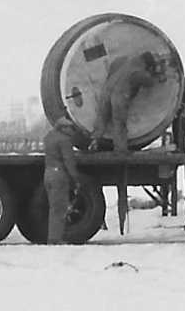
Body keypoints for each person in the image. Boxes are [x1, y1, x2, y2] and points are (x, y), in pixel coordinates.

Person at [89, 51, 162, 152]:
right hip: (120, 95)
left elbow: (113, 65)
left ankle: (94, 141)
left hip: (106, 91)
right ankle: (120, 149)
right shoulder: (138, 71)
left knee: (102, 118)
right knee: (119, 122)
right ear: (147, 63)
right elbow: (149, 82)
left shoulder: (124, 61)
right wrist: (155, 74)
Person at [43, 116, 81, 244]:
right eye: (70, 128)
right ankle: (55, 239)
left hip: (48, 173)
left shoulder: (49, 137)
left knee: (53, 208)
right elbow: (68, 161)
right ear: (63, 128)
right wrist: (75, 178)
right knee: (59, 209)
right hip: (59, 176)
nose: (72, 131)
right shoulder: (64, 140)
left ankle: (52, 237)